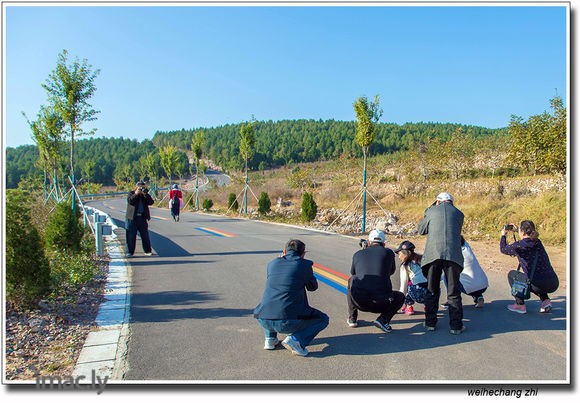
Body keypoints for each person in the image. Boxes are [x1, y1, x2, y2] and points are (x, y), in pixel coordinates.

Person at [254, 240, 329, 357]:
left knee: (273, 301)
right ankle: (296, 340)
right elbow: (312, 287)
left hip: (262, 318)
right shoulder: (304, 265)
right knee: (323, 319)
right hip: (288, 322)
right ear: (303, 254)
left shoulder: (272, 264)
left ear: (284, 252)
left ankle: (270, 339)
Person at [418, 192, 465, 335]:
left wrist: (428, 210)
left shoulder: (431, 211)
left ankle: (430, 322)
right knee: (453, 292)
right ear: (451, 202)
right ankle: (456, 326)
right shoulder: (459, 214)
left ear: (437, 202)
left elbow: (421, 230)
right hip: (453, 256)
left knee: (432, 289)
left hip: (433, 254)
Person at [347, 229, 405, 332]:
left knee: (352, 280)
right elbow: (391, 271)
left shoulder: (358, 254)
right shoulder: (389, 253)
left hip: (360, 302)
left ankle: (352, 318)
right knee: (400, 297)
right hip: (382, 303)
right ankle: (383, 319)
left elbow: (354, 273)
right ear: (384, 243)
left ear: (369, 242)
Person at [500, 220, 559, 314]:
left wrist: (503, 235)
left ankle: (520, 305)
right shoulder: (537, 242)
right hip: (553, 282)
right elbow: (528, 237)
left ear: (522, 232)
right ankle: (545, 301)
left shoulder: (519, 245)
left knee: (512, 274)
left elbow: (503, 249)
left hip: (538, 284)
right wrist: (517, 230)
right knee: (536, 276)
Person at [396, 240, 427, 316]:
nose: (398, 257)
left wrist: (397, 304)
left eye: (399, 254)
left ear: (404, 254)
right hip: (431, 293)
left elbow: (403, 286)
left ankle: (409, 306)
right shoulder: (423, 259)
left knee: (408, 283)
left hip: (418, 293)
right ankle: (428, 306)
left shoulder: (405, 265)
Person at [125, 180, 155, 257]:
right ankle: (129, 252)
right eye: (140, 187)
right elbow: (130, 201)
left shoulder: (144, 195)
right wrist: (136, 194)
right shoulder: (131, 193)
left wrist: (146, 194)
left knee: (145, 235)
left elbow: (151, 202)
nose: (141, 189)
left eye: (143, 187)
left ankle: (147, 251)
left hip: (142, 217)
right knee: (131, 236)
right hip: (132, 218)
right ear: (136, 187)